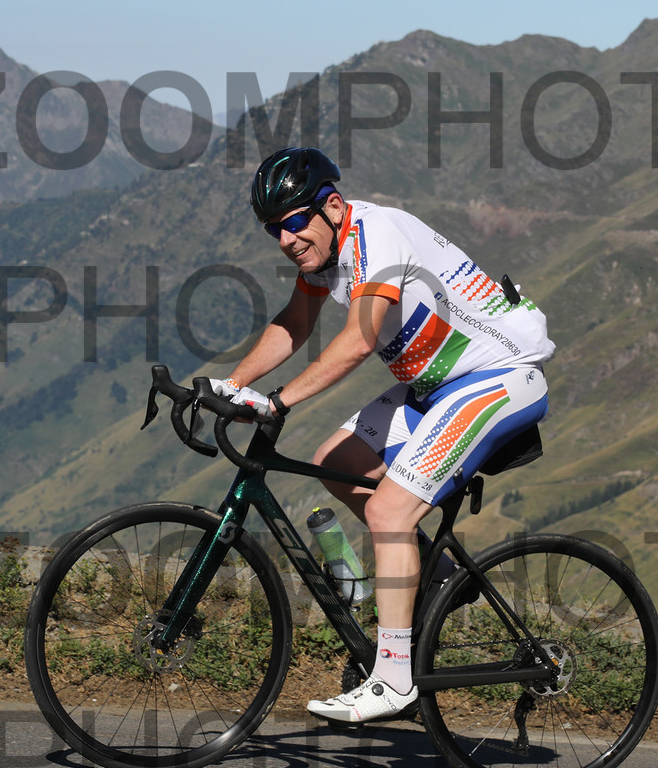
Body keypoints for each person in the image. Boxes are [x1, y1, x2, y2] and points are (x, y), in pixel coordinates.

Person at [211, 147, 554, 723]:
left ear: (332, 206)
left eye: (294, 222)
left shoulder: (379, 237)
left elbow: (359, 339)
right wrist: (232, 385)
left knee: (389, 512)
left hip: (499, 377)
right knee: (335, 460)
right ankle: (437, 578)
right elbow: (295, 323)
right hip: (437, 386)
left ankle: (394, 680)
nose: (286, 240)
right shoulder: (325, 251)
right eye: (274, 229)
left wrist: (277, 402)